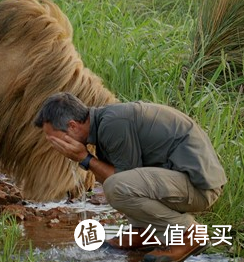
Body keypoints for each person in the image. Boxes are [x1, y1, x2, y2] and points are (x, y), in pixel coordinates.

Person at [33, 92, 226, 262]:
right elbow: (128, 178)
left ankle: (189, 234)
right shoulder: (105, 123)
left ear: (72, 126)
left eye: (55, 139)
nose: (56, 146)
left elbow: (122, 182)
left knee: (117, 187)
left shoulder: (113, 124)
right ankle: (144, 232)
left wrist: (84, 158)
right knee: (118, 185)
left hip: (200, 187)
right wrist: (86, 159)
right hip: (181, 181)